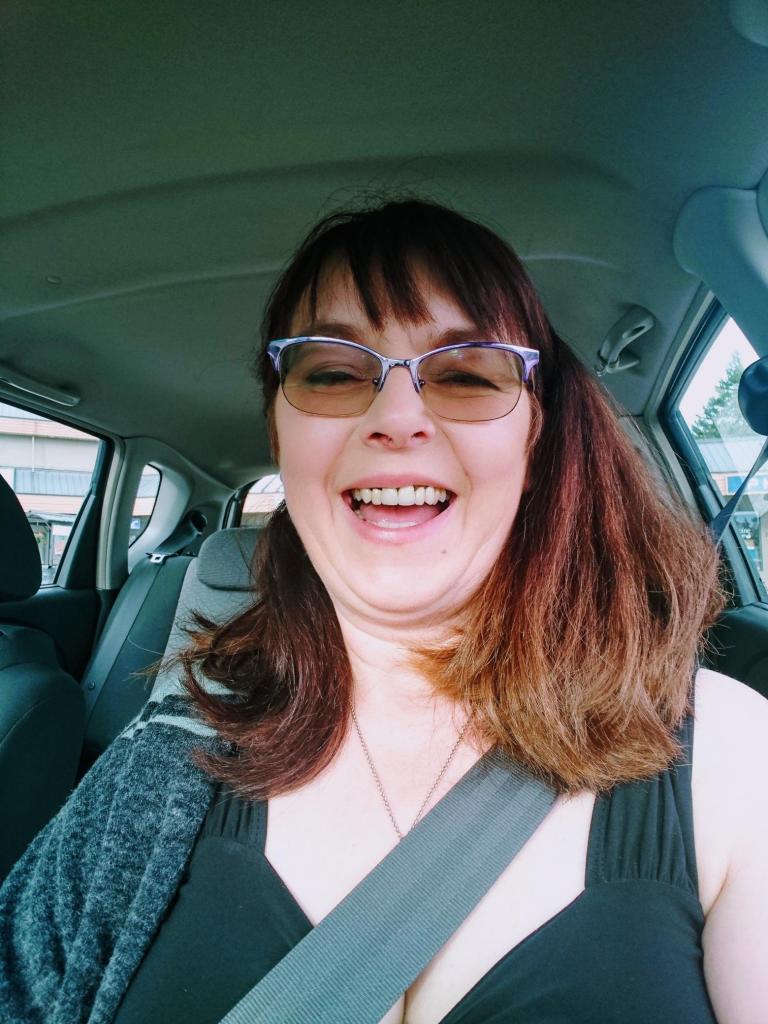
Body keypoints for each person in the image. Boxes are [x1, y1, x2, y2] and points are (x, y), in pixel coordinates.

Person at [1, 197, 766, 1024]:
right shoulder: (155, 765)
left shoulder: (731, 755)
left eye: (467, 374)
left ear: (535, 437)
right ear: (281, 435)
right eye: (333, 373)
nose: (397, 418)